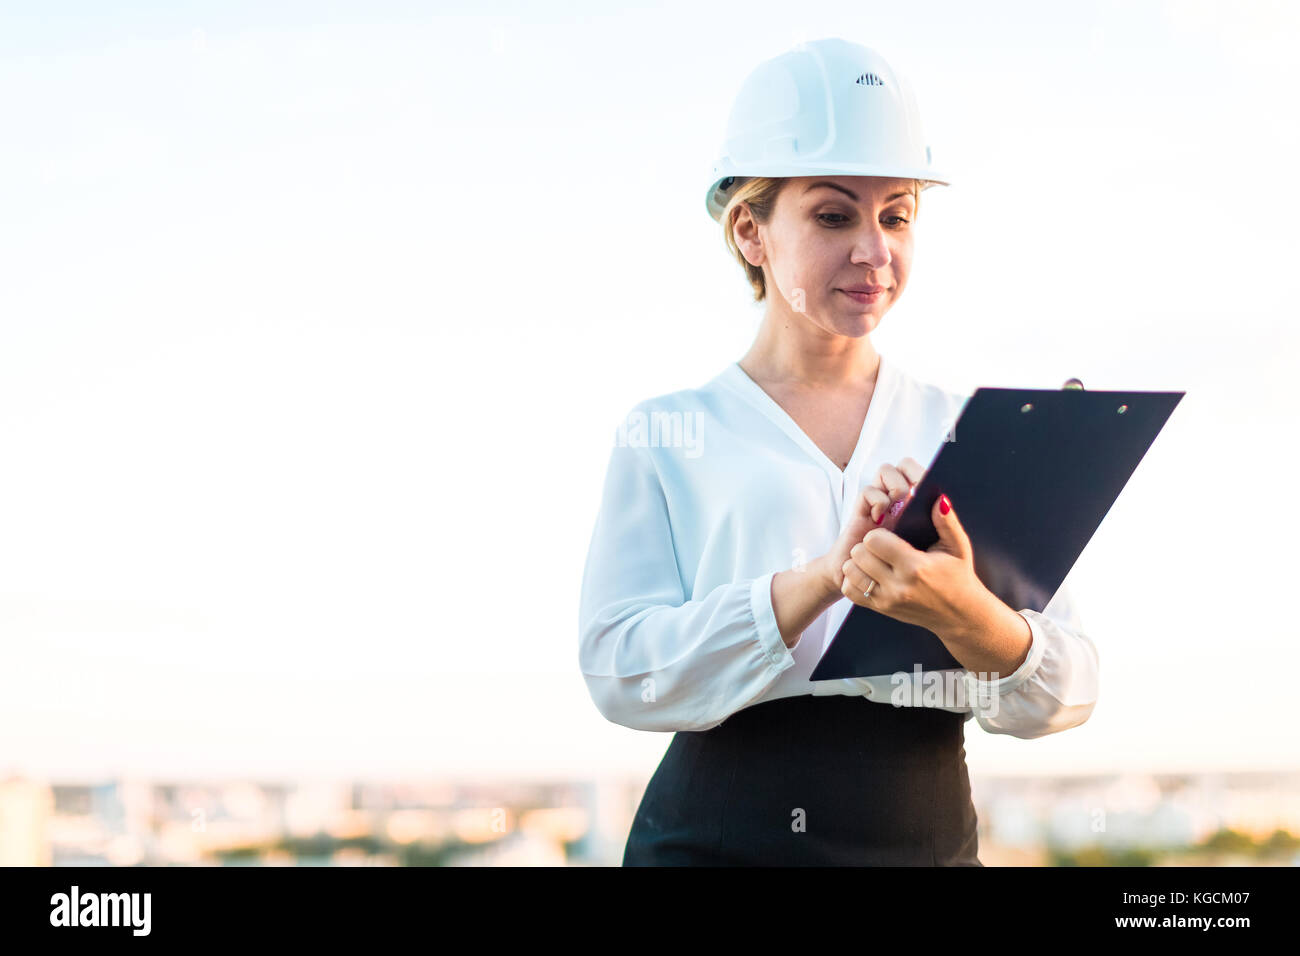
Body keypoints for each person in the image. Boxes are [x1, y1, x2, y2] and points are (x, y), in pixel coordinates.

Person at [577, 38, 1099, 866]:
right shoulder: (671, 433)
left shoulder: (968, 428)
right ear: (750, 231)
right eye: (832, 215)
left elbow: (1068, 688)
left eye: (896, 214)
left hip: (926, 839)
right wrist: (821, 579)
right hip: (717, 841)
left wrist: (965, 613)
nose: (873, 250)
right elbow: (619, 672)